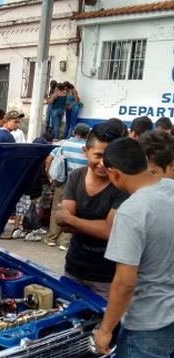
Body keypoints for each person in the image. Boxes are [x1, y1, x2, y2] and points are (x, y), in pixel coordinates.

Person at [93, 137, 174, 358]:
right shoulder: (170, 189)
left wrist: (106, 330)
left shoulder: (131, 211)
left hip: (148, 324)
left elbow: (125, 282)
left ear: (114, 173)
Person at [56, 123, 128, 299]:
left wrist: (72, 220)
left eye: (110, 157)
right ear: (85, 151)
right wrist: (94, 226)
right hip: (74, 269)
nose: (104, 163)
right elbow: (62, 224)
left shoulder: (122, 185)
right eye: (98, 155)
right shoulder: (76, 176)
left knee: (101, 325)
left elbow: (108, 231)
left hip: (106, 278)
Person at [44, 123, 91, 251]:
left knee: (56, 209)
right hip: (80, 182)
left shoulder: (62, 143)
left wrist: (49, 175)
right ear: (87, 134)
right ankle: (65, 242)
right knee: (74, 210)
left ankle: (52, 238)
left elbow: (49, 159)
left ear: (74, 131)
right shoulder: (86, 147)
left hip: (62, 181)